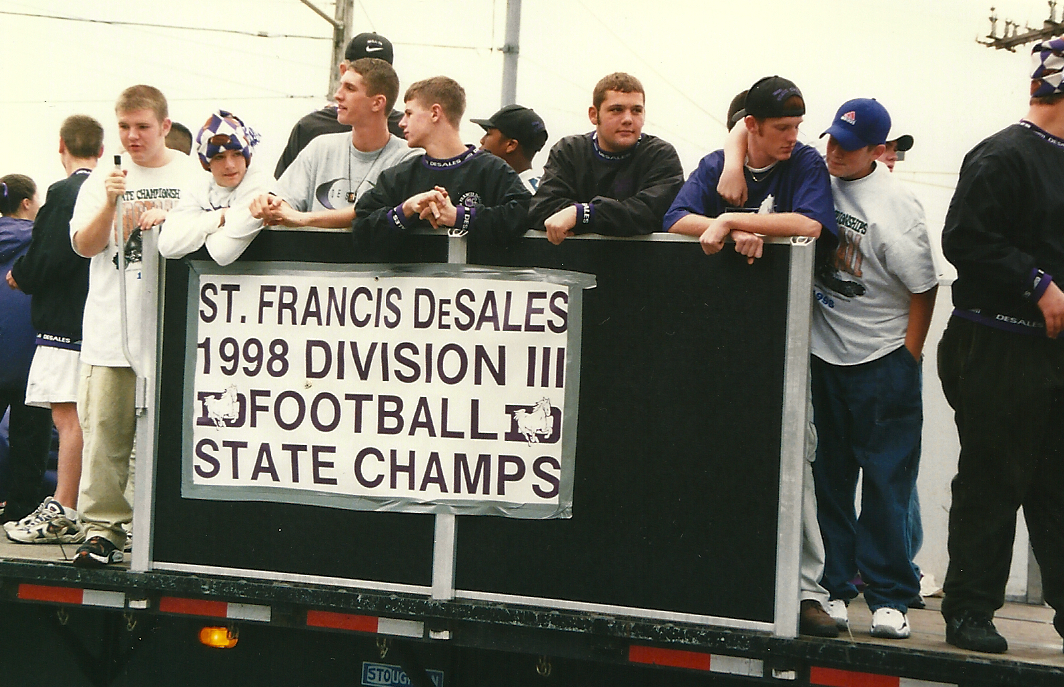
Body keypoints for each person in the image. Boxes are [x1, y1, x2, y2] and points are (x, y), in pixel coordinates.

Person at [664, 76, 839, 638]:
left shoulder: (806, 163)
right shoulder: (719, 162)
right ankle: (719, 578)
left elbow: (809, 223)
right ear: (753, 127)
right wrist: (721, 214)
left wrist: (733, 220)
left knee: (797, 457)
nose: (792, 137)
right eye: (782, 128)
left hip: (787, 341)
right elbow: (675, 219)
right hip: (723, 341)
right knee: (716, 449)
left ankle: (808, 591)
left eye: (796, 126)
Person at [937, 37, 1064, 654]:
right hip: (997, 346)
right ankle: (968, 610)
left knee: (1058, 483)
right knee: (993, 479)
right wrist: (1036, 284)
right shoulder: (1003, 154)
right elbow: (965, 238)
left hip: (1053, 354)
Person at [808, 98, 938, 640]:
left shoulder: (899, 204)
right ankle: (836, 587)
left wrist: (908, 354)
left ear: (878, 151)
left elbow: (924, 287)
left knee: (887, 482)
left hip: (882, 359)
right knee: (830, 477)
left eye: (849, 145)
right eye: (832, 139)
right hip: (823, 354)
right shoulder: (816, 179)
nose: (835, 151)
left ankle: (891, 597)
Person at [68, 85, 200, 567]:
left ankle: (163, 528)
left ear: (165, 126)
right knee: (105, 433)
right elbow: (83, 246)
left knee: (170, 436)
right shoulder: (104, 178)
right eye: (124, 126)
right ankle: (102, 530)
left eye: (143, 126)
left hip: (172, 331)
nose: (133, 135)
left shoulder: (192, 175)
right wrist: (111, 208)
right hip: (112, 328)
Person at [4, 116, 104, 544]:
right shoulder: (98, 190)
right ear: (101, 150)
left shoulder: (63, 194)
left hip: (55, 328)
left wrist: (21, 277)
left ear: (60, 144)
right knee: (64, 422)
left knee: (66, 418)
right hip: (79, 326)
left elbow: (47, 256)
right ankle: (51, 505)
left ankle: (58, 507)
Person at [353, 76, 530, 258]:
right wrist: (405, 210)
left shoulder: (492, 170)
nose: (401, 123)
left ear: (435, 113)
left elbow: (524, 213)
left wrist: (459, 216)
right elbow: (361, 228)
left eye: (409, 113)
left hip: (471, 285)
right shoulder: (399, 176)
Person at [252, 58, 417, 231]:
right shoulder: (320, 147)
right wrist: (271, 205)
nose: (338, 95)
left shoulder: (408, 158)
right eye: (341, 86)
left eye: (350, 88)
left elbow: (373, 215)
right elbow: (283, 202)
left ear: (377, 103)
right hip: (311, 256)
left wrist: (303, 218)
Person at [528, 72, 683, 244]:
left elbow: (650, 213)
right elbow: (542, 208)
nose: (628, 119)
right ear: (594, 115)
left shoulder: (660, 154)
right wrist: (590, 215)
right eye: (616, 110)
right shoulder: (569, 150)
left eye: (636, 111)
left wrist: (581, 214)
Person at [274, 32, 404, 179]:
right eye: (360, 69)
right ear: (344, 71)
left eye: (377, 73)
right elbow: (283, 193)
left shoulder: (408, 131)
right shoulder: (312, 128)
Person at [0, 175, 53, 529]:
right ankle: (19, 512)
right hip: (32, 360)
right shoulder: (41, 243)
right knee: (31, 442)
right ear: (27, 204)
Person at [159, 110, 269, 265]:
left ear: (247, 157)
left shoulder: (259, 182)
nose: (229, 165)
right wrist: (221, 216)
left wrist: (197, 225)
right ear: (207, 163)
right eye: (219, 157)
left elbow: (222, 252)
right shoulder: (199, 186)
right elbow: (167, 246)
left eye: (237, 154)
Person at [470, 104, 549, 192]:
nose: (482, 140)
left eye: (488, 134)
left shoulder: (518, 192)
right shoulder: (542, 190)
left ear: (511, 145)